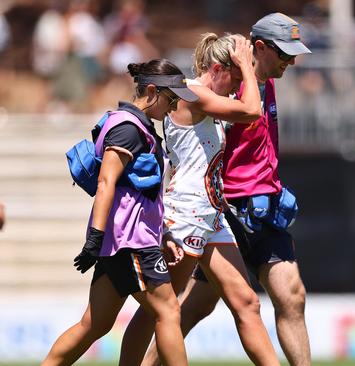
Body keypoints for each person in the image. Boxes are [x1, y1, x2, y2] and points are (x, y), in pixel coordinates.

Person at [144, 13, 313, 366]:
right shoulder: (227, 85)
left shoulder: (265, 81)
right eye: (284, 53)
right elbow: (214, 136)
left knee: (287, 296)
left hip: (259, 205)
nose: (291, 61)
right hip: (223, 208)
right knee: (174, 308)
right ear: (260, 47)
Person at [121, 34, 279, 366]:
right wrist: (250, 71)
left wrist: (245, 70)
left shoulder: (208, 96)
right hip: (186, 212)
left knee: (247, 302)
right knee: (160, 307)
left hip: (211, 214)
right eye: (235, 77)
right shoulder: (190, 92)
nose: (239, 86)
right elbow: (252, 110)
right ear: (220, 68)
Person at [41, 58, 198, 366]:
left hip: (127, 241)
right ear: (152, 91)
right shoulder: (128, 128)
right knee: (168, 311)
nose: (174, 106)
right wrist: (94, 237)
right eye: (171, 99)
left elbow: (141, 194)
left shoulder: (138, 127)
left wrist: (163, 234)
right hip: (131, 243)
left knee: (94, 324)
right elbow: (106, 182)